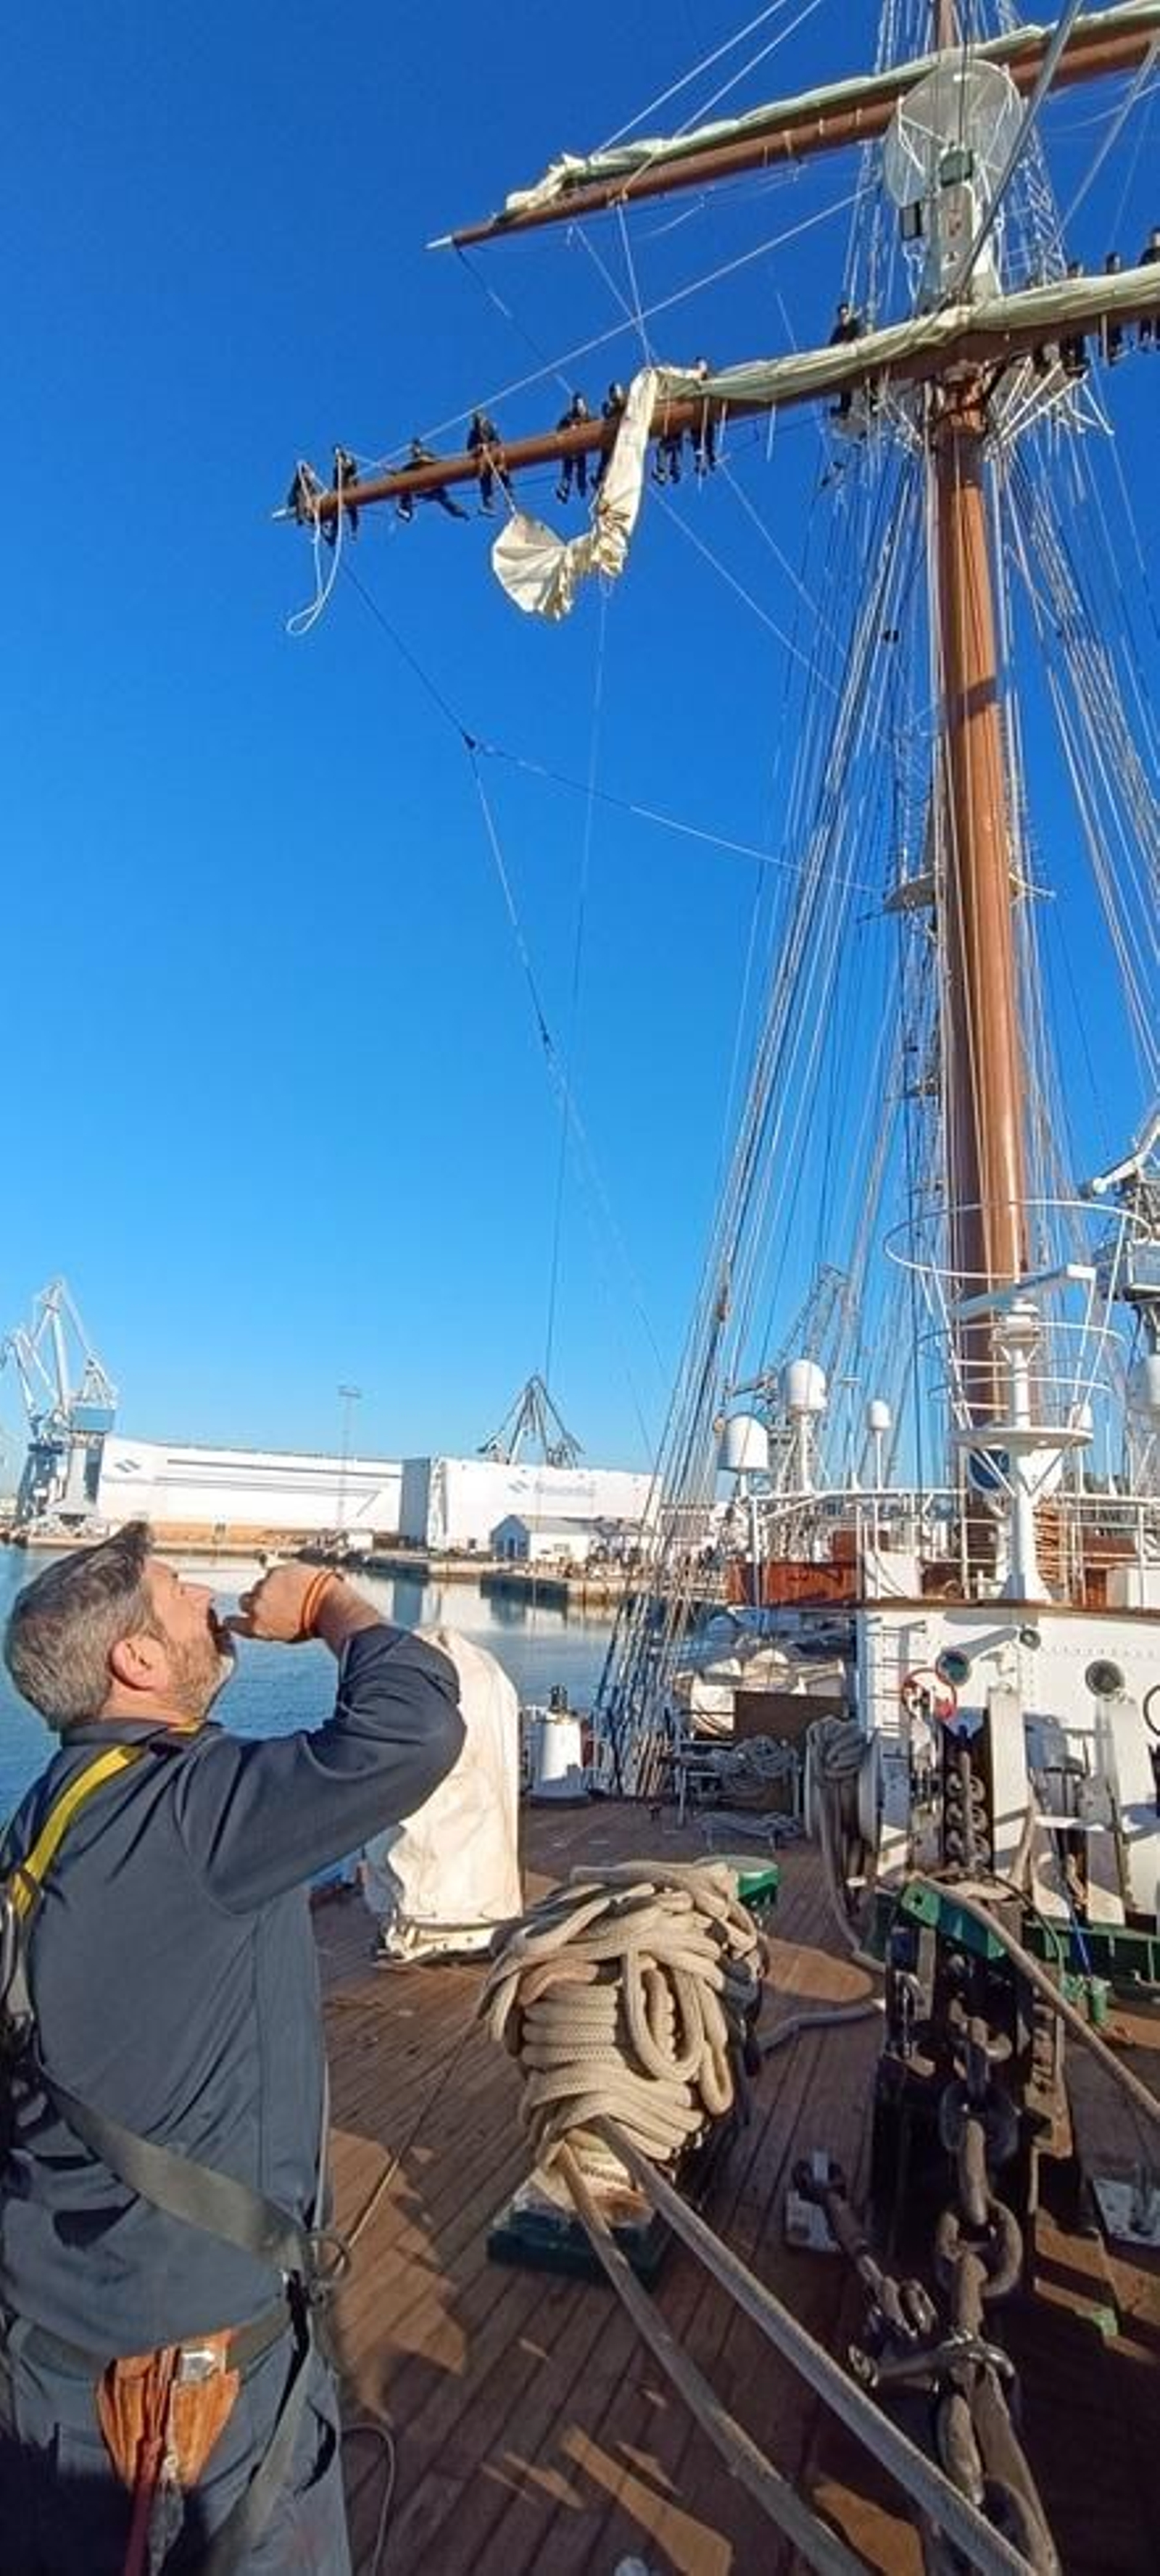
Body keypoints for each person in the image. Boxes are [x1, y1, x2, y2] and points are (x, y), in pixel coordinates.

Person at [0, 1525, 463, 2575]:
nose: (208, 1598)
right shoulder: (191, 1814)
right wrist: (330, 1602)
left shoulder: (45, 1820)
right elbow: (415, 1727)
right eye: (178, 1591)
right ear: (136, 1659)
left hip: (52, 2367)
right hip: (191, 2414)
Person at [396, 437, 470, 521]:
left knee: (447, 503)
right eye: (412, 450)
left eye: (415, 449)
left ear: (420, 448)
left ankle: (462, 513)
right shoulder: (412, 463)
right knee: (406, 488)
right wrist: (394, 473)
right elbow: (404, 472)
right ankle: (407, 512)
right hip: (424, 489)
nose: (414, 451)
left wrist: (427, 460)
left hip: (435, 487)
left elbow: (440, 463)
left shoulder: (427, 455)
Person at [466, 410, 513, 515]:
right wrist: (477, 448)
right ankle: (488, 504)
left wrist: (488, 445)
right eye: (476, 419)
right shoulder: (473, 433)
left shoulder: (489, 426)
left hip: (495, 454)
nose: (478, 421)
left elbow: (497, 441)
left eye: (479, 418)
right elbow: (469, 449)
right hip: (483, 458)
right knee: (484, 477)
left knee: (501, 470)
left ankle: (509, 494)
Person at [829, 299, 864, 419]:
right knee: (845, 383)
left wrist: (848, 343)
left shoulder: (854, 323)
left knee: (867, 377)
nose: (843, 317)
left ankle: (873, 404)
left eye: (845, 314)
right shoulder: (837, 331)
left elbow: (856, 335)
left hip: (857, 357)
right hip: (844, 362)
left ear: (849, 314)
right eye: (841, 315)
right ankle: (844, 409)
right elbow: (831, 348)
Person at [555, 393, 591, 504]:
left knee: (581, 468)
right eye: (577, 404)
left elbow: (596, 423)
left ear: (583, 404)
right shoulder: (569, 416)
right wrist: (569, 428)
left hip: (581, 446)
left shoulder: (588, 416)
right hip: (570, 446)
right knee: (568, 469)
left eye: (580, 404)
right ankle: (564, 490)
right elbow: (559, 428)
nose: (579, 406)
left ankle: (582, 487)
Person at [592, 381, 626, 491]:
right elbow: (607, 416)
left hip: (622, 438)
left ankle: (610, 481)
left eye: (616, 391)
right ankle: (600, 480)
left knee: (617, 461)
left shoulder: (626, 403)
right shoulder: (610, 407)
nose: (614, 394)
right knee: (604, 460)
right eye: (612, 393)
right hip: (610, 439)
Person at [1060, 257, 1088, 381]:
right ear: (1069, 272)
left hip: (1077, 320)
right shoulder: (1062, 287)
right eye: (1076, 272)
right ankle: (1069, 363)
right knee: (1066, 340)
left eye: (1079, 273)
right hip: (1065, 319)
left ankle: (1077, 364)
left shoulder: (1083, 286)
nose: (1077, 275)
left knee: (1079, 341)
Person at [285, 461, 325, 525]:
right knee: (301, 495)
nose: (309, 474)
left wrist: (322, 495)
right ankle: (301, 516)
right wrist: (302, 466)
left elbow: (316, 489)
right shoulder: (300, 479)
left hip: (307, 496)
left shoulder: (310, 481)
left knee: (314, 494)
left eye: (309, 472)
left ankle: (320, 517)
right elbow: (300, 467)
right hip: (295, 499)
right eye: (307, 472)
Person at [1102, 251, 1124, 365]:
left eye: (1117, 264)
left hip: (1117, 308)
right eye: (1114, 264)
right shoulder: (1102, 278)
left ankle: (1115, 348)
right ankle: (1109, 350)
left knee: (1116, 329)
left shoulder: (1122, 277)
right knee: (1107, 330)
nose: (1115, 266)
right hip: (1106, 309)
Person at [1138, 225, 1159, 345]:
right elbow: (1139, 271)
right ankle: (1145, 335)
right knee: (1145, 310)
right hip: (1148, 290)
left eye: (1155, 238)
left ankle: (1158, 336)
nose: (1153, 241)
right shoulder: (1146, 254)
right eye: (1152, 239)